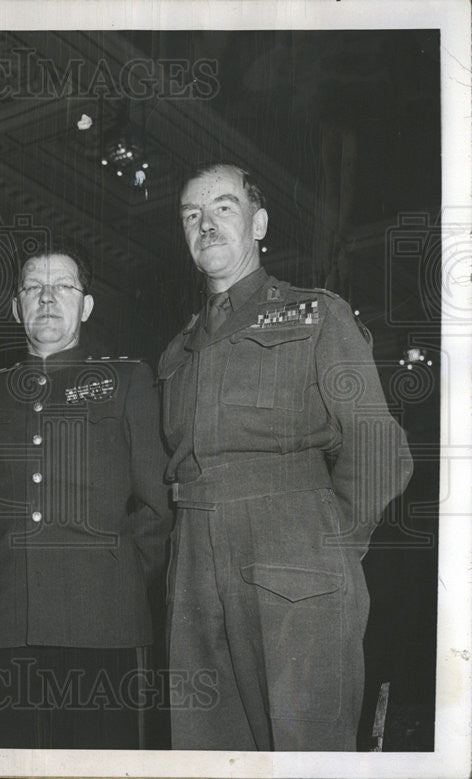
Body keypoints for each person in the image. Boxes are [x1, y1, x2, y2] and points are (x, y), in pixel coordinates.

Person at [160, 163, 413, 751]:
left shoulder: (317, 316)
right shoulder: (177, 350)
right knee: (207, 750)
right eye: (191, 215)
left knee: (306, 750)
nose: (206, 224)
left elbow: (381, 450)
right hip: (195, 565)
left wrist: (324, 543)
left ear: (260, 222)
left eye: (223, 207)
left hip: (295, 557)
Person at [0, 245, 173, 748]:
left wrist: (115, 573)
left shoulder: (126, 380)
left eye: (63, 288)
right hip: (6, 622)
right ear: (16, 308)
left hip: (103, 622)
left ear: (87, 306)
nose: (48, 299)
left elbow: (157, 504)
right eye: (34, 288)